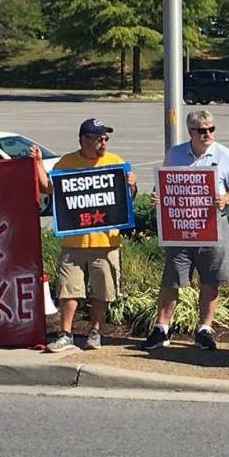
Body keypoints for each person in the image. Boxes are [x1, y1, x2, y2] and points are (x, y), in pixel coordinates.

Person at [142, 110, 229, 351]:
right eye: (201, 130)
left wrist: (226, 199)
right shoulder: (175, 154)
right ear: (190, 131)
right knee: (172, 279)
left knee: (211, 279)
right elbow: (166, 185)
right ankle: (161, 329)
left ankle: (204, 330)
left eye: (211, 129)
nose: (207, 134)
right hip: (180, 227)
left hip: (213, 225)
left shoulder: (225, 155)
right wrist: (159, 197)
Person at [40, 118, 137, 353]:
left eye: (105, 138)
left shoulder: (115, 162)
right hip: (73, 241)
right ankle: (65, 334)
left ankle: (95, 332)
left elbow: (127, 200)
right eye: (98, 138)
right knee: (68, 289)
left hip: (106, 242)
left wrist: (131, 185)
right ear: (84, 140)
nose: (103, 142)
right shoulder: (67, 162)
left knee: (102, 291)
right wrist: (35, 162)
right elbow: (49, 188)